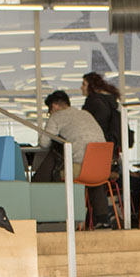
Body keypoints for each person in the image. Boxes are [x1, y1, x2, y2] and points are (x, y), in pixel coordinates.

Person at [33, 90, 111, 228]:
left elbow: (44, 143)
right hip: (102, 167)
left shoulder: (56, 117)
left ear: (54, 106)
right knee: (90, 174)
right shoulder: (85, 114)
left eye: (49, 111)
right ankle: (103, 219)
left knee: (55, 166)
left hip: (80, 168)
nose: (50, 114)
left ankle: (47, 214)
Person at [80, 71, 122, 149]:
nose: (81, 87)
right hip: (112, 143)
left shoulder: (93, 102)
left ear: (92, 86)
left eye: (84, 84)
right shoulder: (111, 101)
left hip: (98, 143)